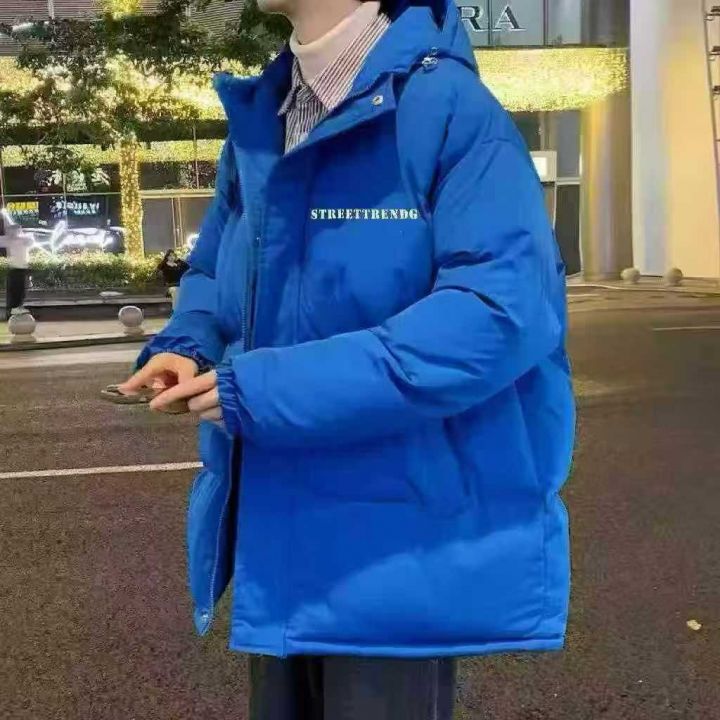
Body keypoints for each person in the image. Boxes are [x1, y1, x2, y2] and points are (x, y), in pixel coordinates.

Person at [119, 0, 576, 716]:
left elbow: (499, 315)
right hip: (281, 535)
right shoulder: (266, 118)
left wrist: (265, 391)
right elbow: (213, 269)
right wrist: (189, 341)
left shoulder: (449, 112)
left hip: (396, 549)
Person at [0, 209, 34, 321]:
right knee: (15, 290)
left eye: (15, 231)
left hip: (22, 269)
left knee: (21, 290)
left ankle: (16, 307)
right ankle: (13, 309)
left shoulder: (24, 239)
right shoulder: (8, 240)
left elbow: (30, 241)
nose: (12, 233)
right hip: (15, 270)